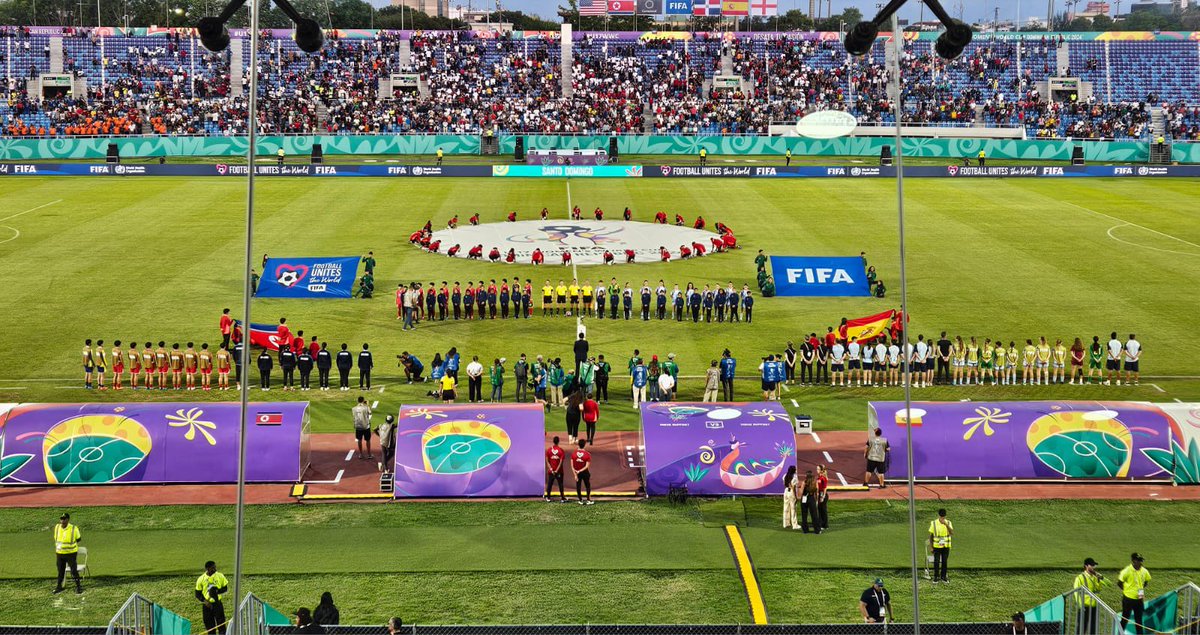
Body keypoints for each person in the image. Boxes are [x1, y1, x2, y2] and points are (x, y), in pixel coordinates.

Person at [1074, 557, 1109, 634]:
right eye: (1092, 565)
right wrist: (1081, 606)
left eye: (1094, 565)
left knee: (1093, 629)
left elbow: (1109, 584)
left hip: (1094, 606)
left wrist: (1102, 578)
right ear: (1086, 566)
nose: (1093, 567)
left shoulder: (1096, 577)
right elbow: (1076, 593)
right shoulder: (1079, 578)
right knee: (1081, 629)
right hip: (1084, 607)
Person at [1118, 553, 1151, 634]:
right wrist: (1127, 591)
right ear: (1133, 561)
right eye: (1138, 560)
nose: (1140, 563)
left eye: (1141, 560)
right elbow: (1119, 583)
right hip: (1128, 599)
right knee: (1125, 618)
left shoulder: (1144, 571)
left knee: (1139, 620)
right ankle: (1120, 633)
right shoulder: (1127, 571)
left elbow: (1146, 581)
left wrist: (1140, 589)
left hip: (1139, 598)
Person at [195, 560, 229, 634]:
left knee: (221, 625)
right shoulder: (201, 579)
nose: (215, 569)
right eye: (213, 568)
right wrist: (205, 601)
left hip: (218, 604)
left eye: (215, 567)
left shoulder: (220, 576)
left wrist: (217, 591)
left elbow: (225, 588)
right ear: (207, 569)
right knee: (210, 627)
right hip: (207, 606)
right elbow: (197, 594)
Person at [53, 512, 83, 594]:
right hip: (60, 553)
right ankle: (59, 586)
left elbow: (78, 539)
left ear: (68, 520)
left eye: (64, 519)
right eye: (61, 519)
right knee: (60, 571)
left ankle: (79, 587)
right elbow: (56, 538)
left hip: (71, 553)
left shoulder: (74, 528)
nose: (62, 521)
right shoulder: (57, 527)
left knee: (73, 571)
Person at [929, 508, 953, 584]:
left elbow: (951, 533)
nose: (942, 518)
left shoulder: (948, 522)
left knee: (944, 562)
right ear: (939, 515)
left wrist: (946, 524)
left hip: (946, 546)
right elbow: (931, 536)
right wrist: (931, 546)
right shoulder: (934, 523)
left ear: (945, 516)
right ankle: (936, 577)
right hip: (936, 546)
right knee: (936, 562)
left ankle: (943, 577)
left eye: (943, 517)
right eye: (941, 516)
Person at [545, 436, 567, 502]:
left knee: (550, 484)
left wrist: (551, 469)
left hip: (551, 471)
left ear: (553, 441)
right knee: (560, 484)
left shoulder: (549, 450)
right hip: (559, 471)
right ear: (558, 441)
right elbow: (561, 462)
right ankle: (562, 498)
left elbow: (547, 461)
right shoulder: (561, 450)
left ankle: (548, 498)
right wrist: (557, 470)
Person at [571, 440, 593, 505]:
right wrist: (580, 470)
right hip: (585, 472)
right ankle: (588, 500)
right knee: (587, 486)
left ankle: (580, 500)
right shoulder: (587, 454)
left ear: (578, 445)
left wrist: (575, 474)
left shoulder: (574, 454)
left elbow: (572, 465)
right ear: (584, 445)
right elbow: (587, 466)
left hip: (577, 473)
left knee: (578, 486)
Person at [816, 464, 829, 530]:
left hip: (823, 494)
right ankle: (821, 524)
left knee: (823, 510)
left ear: (821, 470)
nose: (817, 470)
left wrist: (823, 496)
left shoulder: (823, 478)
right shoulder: (819, 477)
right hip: (820, 495)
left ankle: (825, 525)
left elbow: (825, 488)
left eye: (818, 469)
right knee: (820, 509)